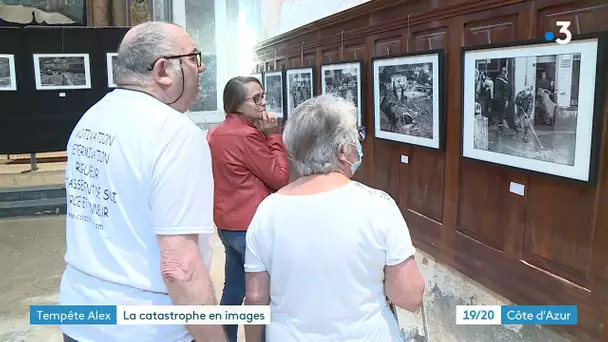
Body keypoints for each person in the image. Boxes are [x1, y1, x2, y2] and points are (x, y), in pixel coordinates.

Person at [60, 22, 226, 342]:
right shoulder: (174, 134)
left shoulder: (92, 117)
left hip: (80, 314)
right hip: (146, 327)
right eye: (192, 58)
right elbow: (180, 267)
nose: (201, 67)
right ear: (163, 70)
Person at [243, 94, 426, 342]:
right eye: (356, 136)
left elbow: (255, 298)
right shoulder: (378, 205)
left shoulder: (267, 211)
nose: (359, 145)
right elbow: (409, 296)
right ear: (343, 150)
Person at [207, 76, 290, 342]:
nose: (263, 102)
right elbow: (279, 177)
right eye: (256, 98)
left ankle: (225, 337)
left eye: (263, 95)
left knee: (233, 289)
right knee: (261, 295)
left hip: (226, 224)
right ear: (236, 105)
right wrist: (273, 137)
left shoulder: (216, 132)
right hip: (250, 227)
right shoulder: (247, 136)